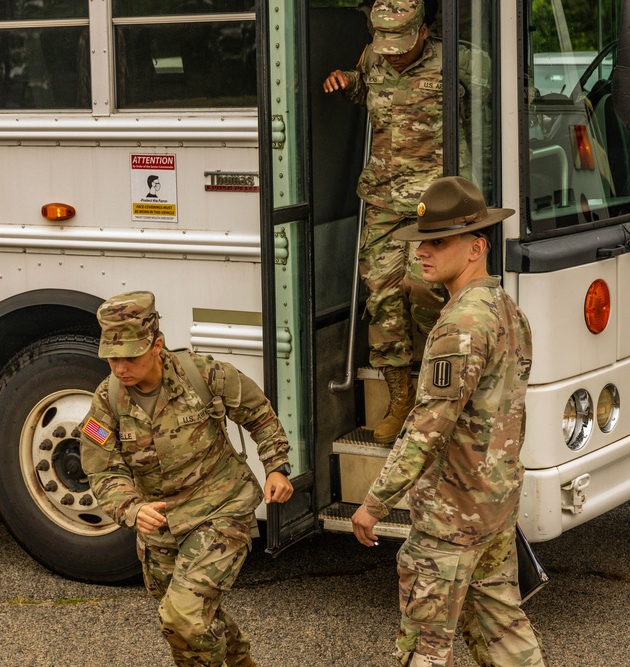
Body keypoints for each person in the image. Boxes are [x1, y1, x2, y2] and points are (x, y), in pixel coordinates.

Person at [351, 177, 548, 667]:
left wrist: (375, 504)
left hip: (451, 517)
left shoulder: (461, 325)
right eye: (421, 242)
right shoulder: (507, 311)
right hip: (493, 505)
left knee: (424, 647)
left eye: (438, 242)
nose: (423, 252)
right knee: (504, 631)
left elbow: (426, 429)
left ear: (477, 246)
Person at [79, 291, 293, 667]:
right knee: (189, 618)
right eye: (112, 358)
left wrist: (276, 466)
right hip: (160, 525)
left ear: (156, 345)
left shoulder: (205, 375)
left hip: (221, 507)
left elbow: (259, 414)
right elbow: (102, 467)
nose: (120, 368)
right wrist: (131, 508)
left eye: (130, 356)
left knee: (182, 619)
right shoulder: (107, 400)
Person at [322, 0, 449, 444]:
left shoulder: (458, 59)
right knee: (382, 297)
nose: (393, 54)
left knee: (423, 286)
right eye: (387, 45)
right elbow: (367, 92)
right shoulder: (373, 56)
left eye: (402, 45)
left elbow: (502, 108)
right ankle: (401, 398)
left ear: (425, 30)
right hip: (381, 199)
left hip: (434, 203)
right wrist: (348, 82)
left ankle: (443, 390)